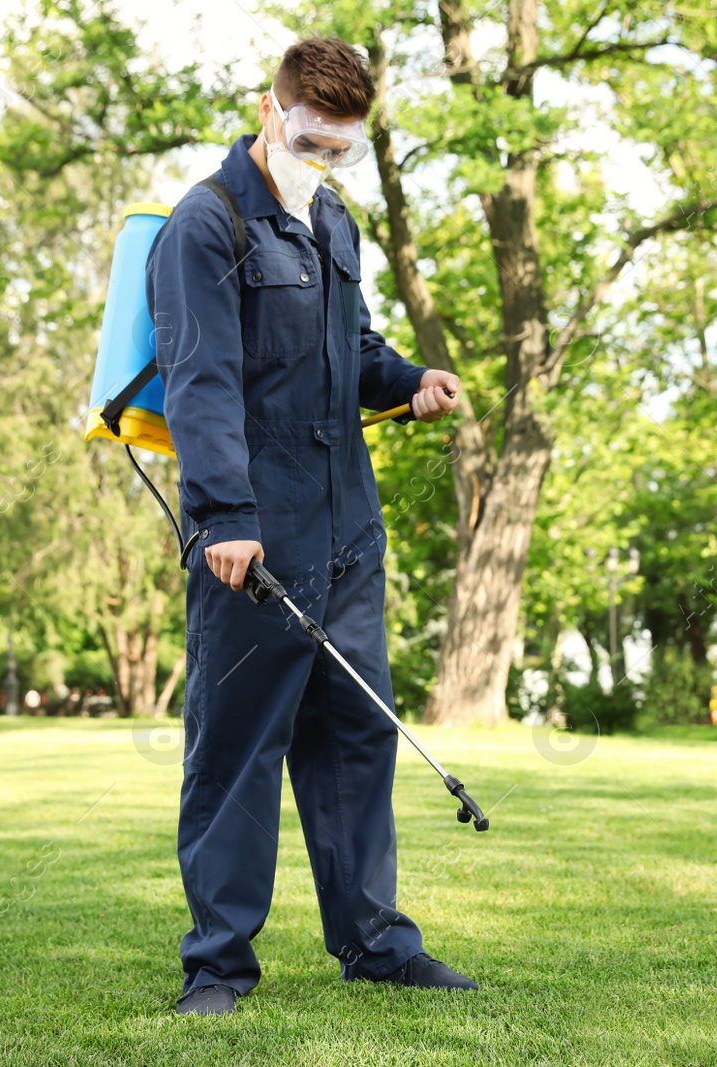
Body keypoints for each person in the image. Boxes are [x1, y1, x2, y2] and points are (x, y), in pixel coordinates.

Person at [145, 37, 472, 1016]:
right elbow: (198, 381)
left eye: (341, 149)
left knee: (353, 741)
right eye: (311, 139)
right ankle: (217, 965)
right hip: (253, 535)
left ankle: (375, 942)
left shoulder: (330, 223)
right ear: (268, 108)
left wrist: (410, 378)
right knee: (237, 750)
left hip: (345, 526)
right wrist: (225, 519)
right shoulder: (203, 227)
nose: (323, 161)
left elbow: (351, 349)